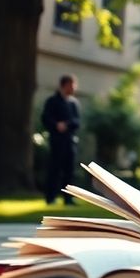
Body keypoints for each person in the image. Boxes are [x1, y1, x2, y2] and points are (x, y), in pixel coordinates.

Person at [42, 74, 82, 205]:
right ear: (64, 85)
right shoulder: (52, 101)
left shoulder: (73, 103)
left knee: (69, 170)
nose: (74, 88)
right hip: (57, 140)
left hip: (70, 140)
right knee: (55, 169)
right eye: (71, 85)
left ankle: (68, 198)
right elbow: (46, 118)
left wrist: (67, 125)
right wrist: (56, 125)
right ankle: (50, 197)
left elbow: (77, 121)